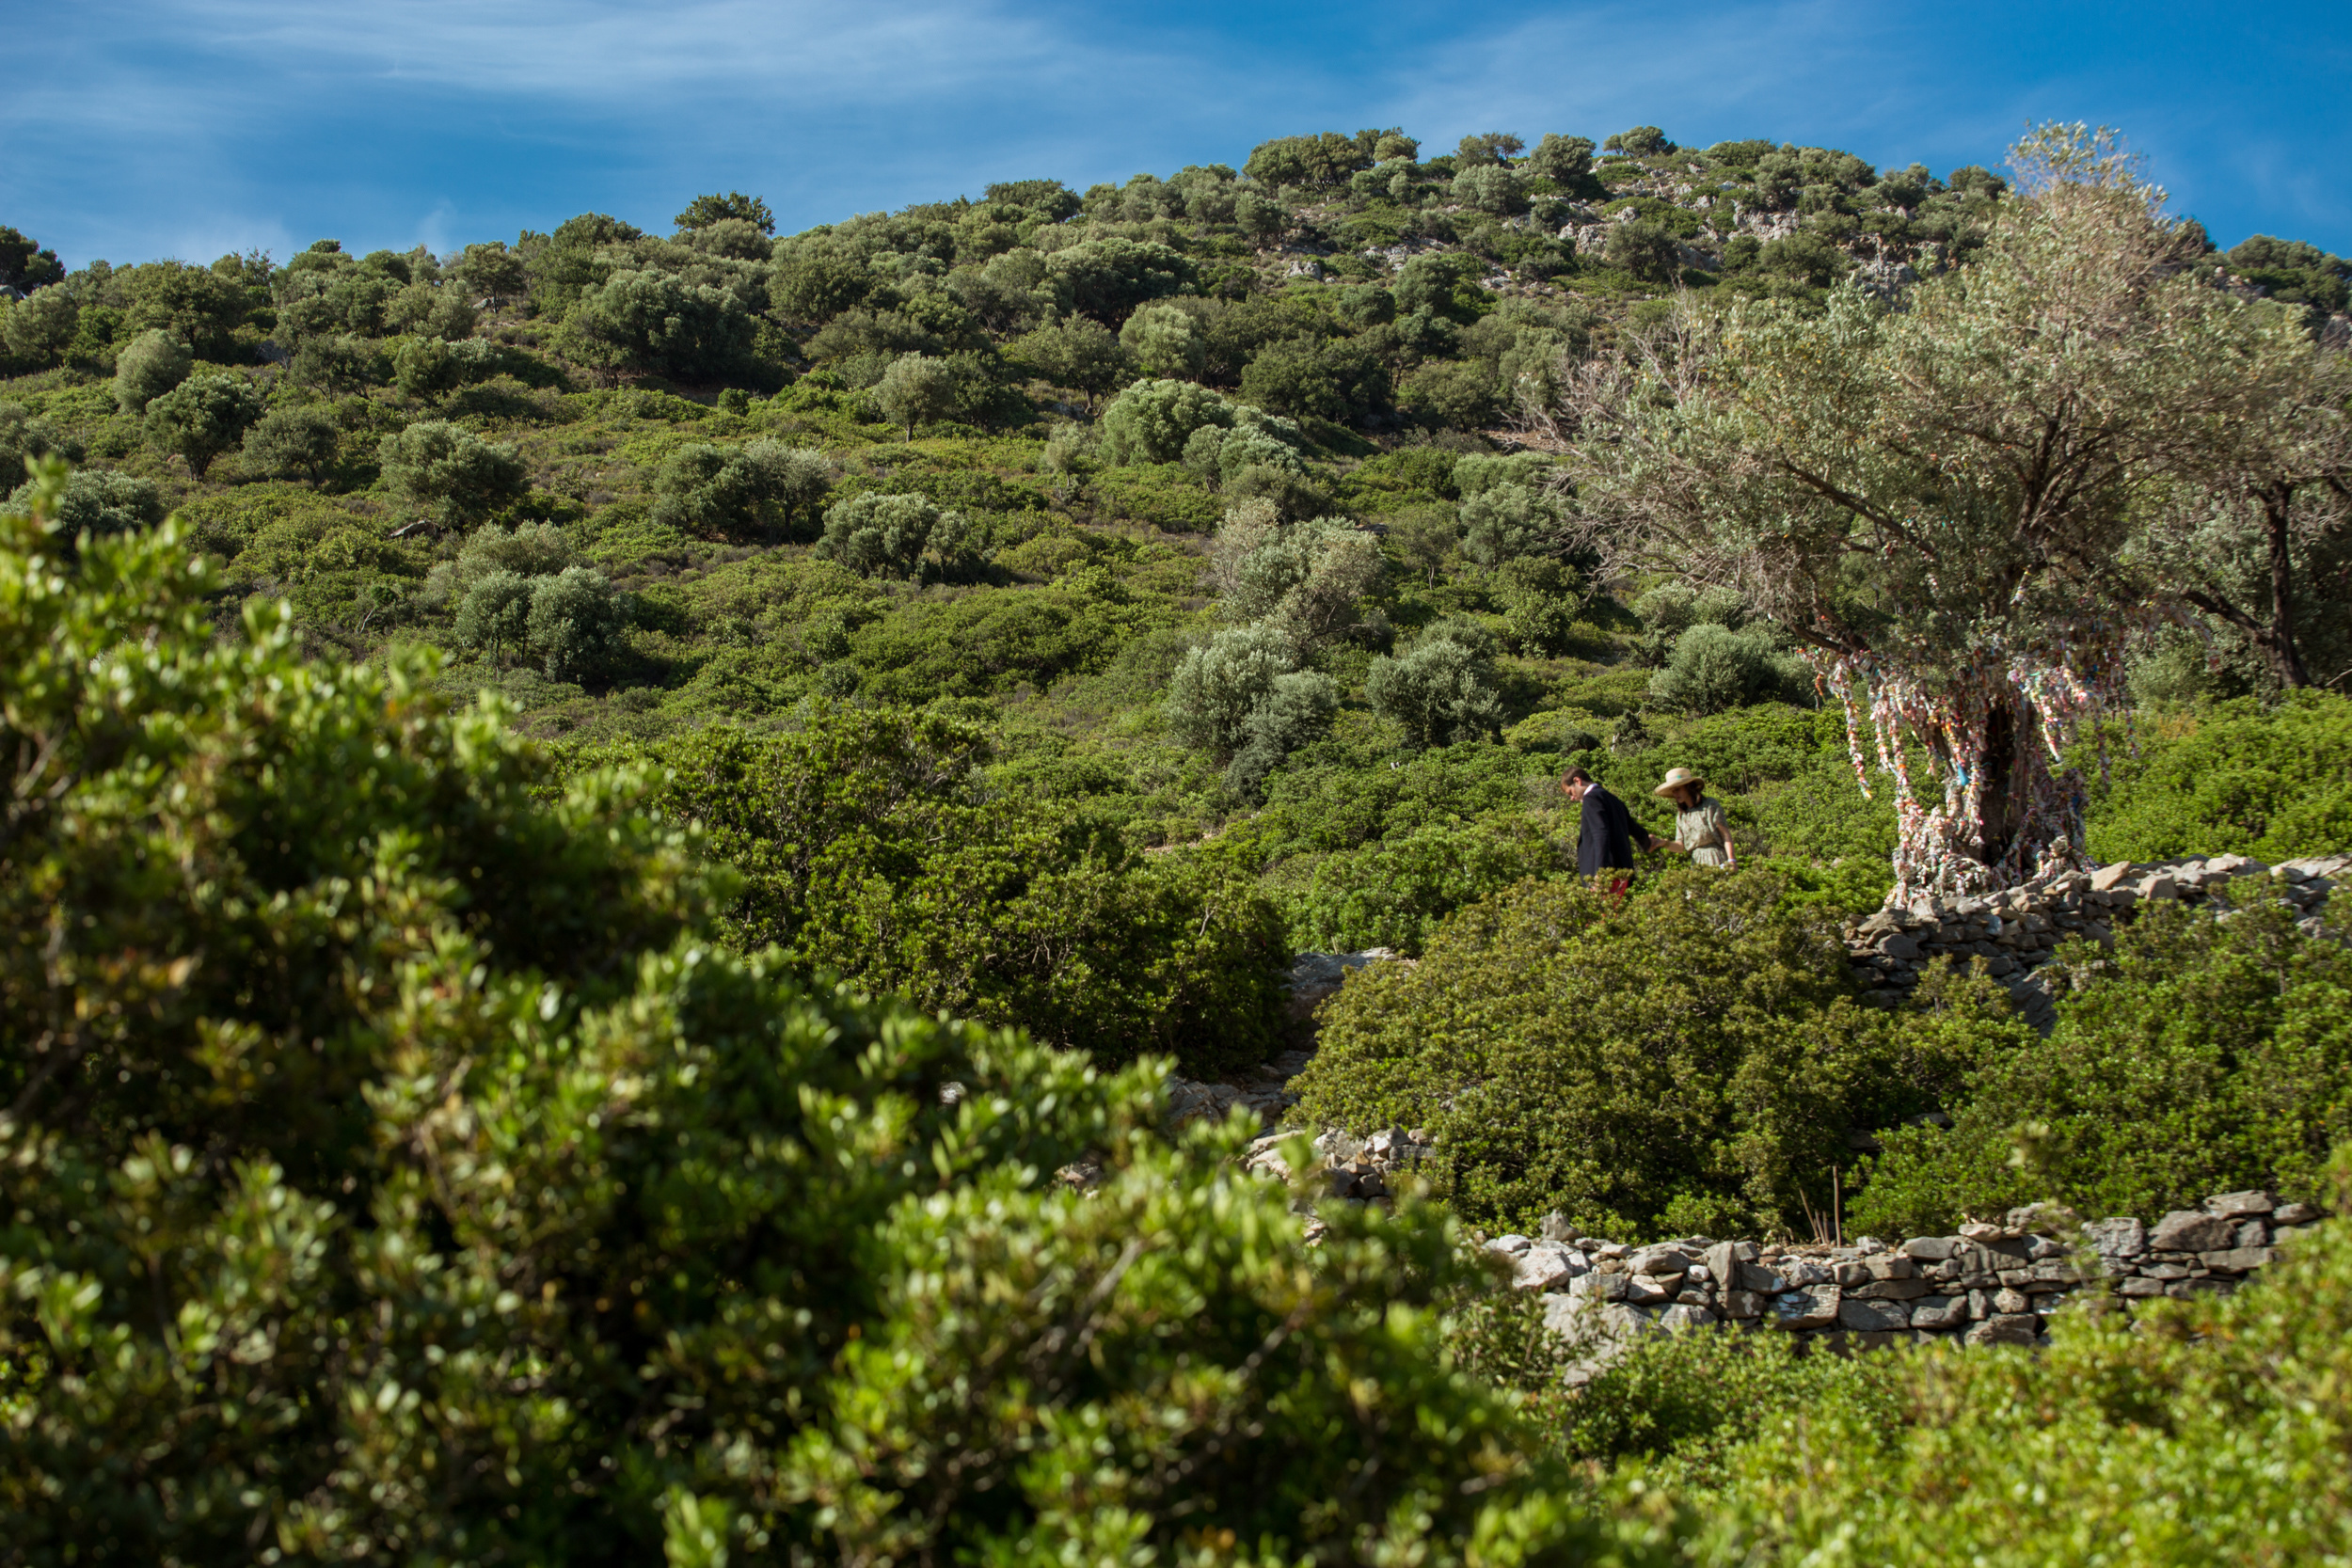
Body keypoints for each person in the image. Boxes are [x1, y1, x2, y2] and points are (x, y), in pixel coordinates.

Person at [1560, 767, 1659, 895]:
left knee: (1604, 914)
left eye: (1571, 792)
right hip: (1621, 874)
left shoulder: (1591, 799)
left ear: (1578, 781)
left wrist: (1601, 873)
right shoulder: (1612, 798)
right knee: (1614, 914)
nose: (1572, 798)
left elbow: (1600, 834)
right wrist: (1647, 843)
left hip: (1606, 877)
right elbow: (1632, 826)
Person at [1652, 767, 1736, 869]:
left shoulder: (1709, 805)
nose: (1675, 794)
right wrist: (1664, 843)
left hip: (1716, 857)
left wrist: (1731, 860)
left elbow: (1726, 835)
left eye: (1677, 789)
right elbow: (1680, 847)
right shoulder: (1681, 815)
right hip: (1696, 862)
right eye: (1673, 791)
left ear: (1688, 787)